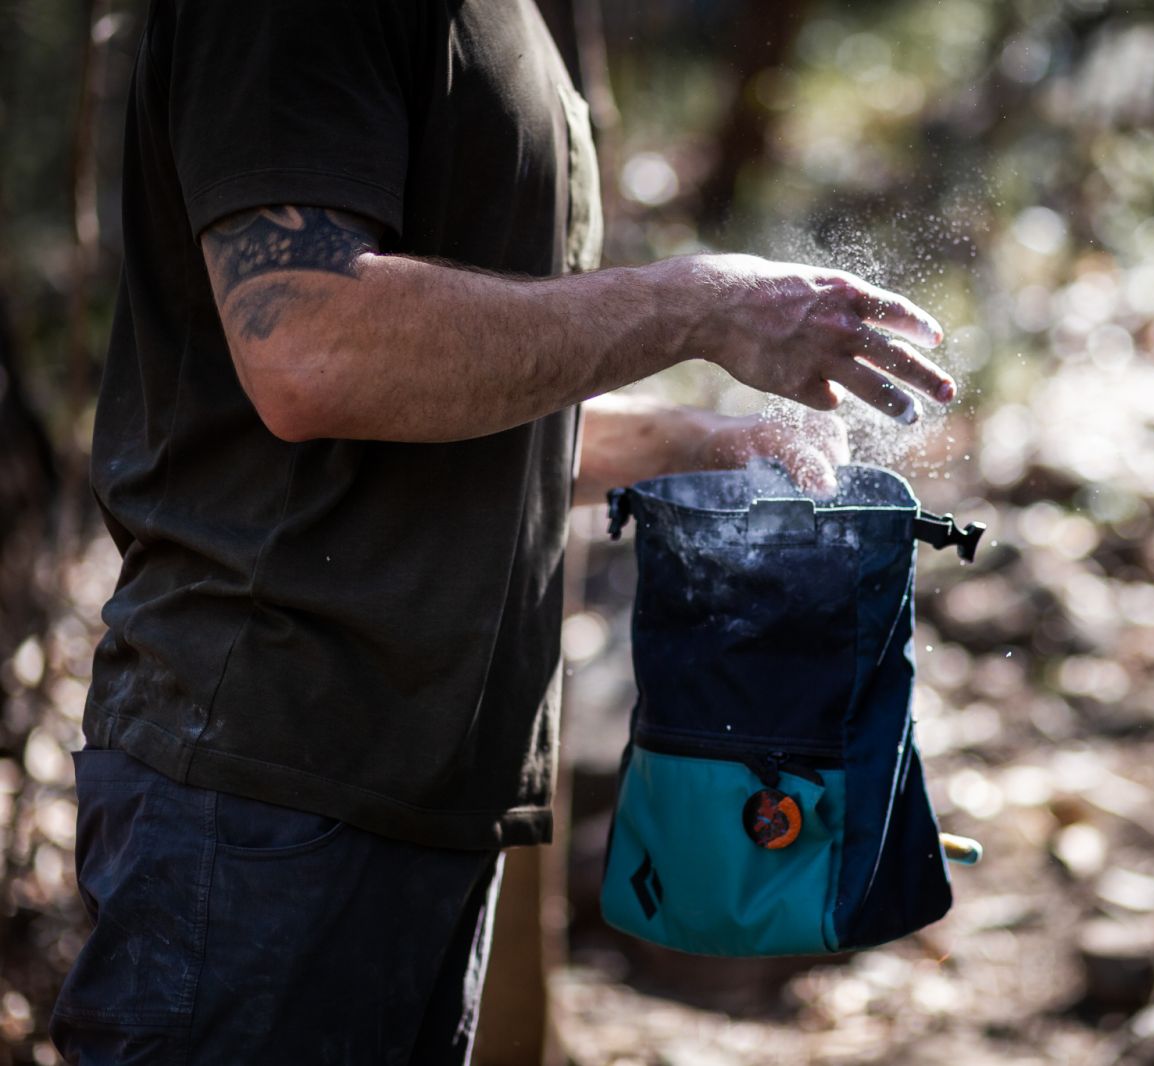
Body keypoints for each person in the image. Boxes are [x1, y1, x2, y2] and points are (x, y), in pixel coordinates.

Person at [50, 1, 953, 1063]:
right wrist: (696, 304)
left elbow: (449, 397)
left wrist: (697, 442)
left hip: (427, 798)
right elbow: (309, 347)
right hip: (265, 792)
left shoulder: (524, 20)